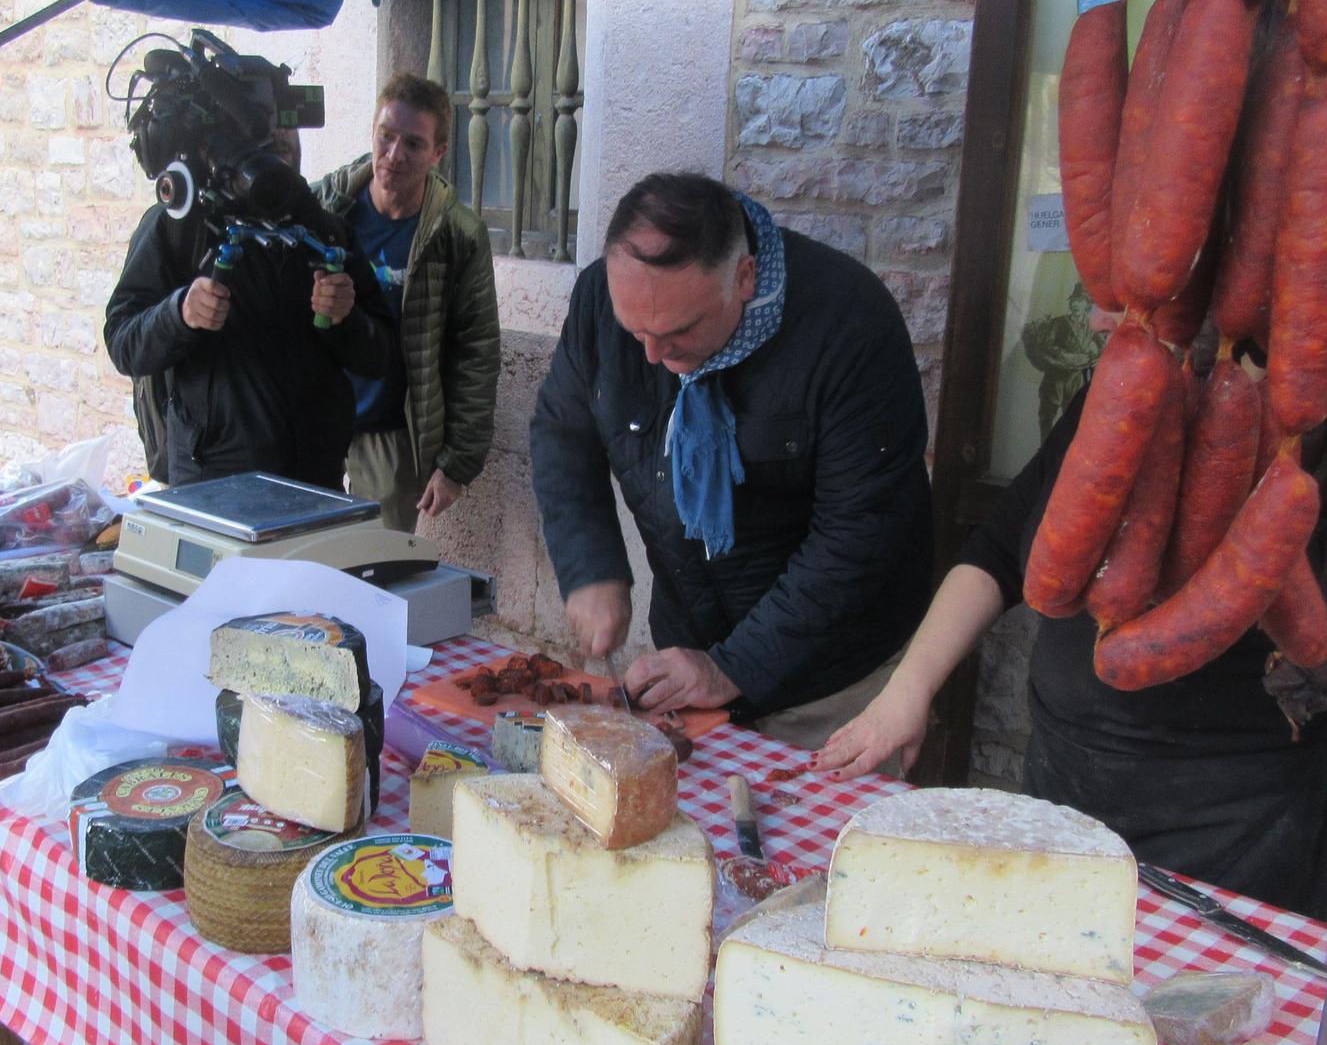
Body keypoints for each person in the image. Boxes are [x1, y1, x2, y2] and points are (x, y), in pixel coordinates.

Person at [810, 388, 1327, 982]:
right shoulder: (1124, 386)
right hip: (1063, 810)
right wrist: (909, 687)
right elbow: (1000, 549)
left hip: (1238, 844)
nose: (1100, 318)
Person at [531, 172, 934, 750]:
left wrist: (733, 668)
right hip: (691, 660)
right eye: (634, 330)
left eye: (679, 330)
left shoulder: (850, 322)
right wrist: (590, 564)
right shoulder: (602, 299)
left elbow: (861, 533)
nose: (654, 355)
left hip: (833, 682)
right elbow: (563, 430)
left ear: (744, 277)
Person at [103, 126, 394, 490]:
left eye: (286, 131)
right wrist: (180, 314)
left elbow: (379, 357)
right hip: (212, 486)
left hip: (313, 482)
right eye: (265, 132)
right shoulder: (181, 227)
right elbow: (122, 341)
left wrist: (346, 319)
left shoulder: (326, 231)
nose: (280, 142)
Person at [313, 74, 500, 532]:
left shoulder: (456, 234)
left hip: (391, 436)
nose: (394, 156)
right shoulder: (323, 207)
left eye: (413, 144)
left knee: (375, 580)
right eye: (386, 137)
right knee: (302, 572)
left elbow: (476, 353)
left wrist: (458, 463)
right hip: (312, 422)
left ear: (438, 153)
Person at [1021, 281, 1106, 437]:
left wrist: (1090, 357)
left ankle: (1066, 452)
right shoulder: (1058, 322)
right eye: (1074, 300)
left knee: (1073, 418)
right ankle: (1044, 448)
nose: (1075, 304)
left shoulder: (1090, 326)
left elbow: (1102, 347)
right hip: (1055, 377)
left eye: (1080, 301)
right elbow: (1047, 345)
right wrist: (1064, 355)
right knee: (1047, 416)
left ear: (1087, 305)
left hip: (1076, 380)